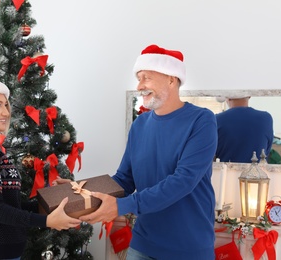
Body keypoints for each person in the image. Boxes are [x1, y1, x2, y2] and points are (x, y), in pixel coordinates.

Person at [80, 44, 218, 259]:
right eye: (138, 78)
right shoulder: (140, 124)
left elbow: (183, 181)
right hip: (143, 245)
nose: (139, 85)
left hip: (189, 248)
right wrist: (79, 192)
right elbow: (124, 179)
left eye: (146, 77)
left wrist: (121, 206)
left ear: (172, 79)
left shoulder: (202, 120)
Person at [0, 73, 81, 260]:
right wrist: (47, 221)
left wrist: (49, 202)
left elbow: (7, 204)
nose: (6, 113)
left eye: (6, 105)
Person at [215, 96, 274, 163]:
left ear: (227, 97)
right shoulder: (266, 118)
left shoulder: (217, 119)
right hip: (258, 172)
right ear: (249, 96)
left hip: (225, 172)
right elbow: (266, 150)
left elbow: (211, 153)